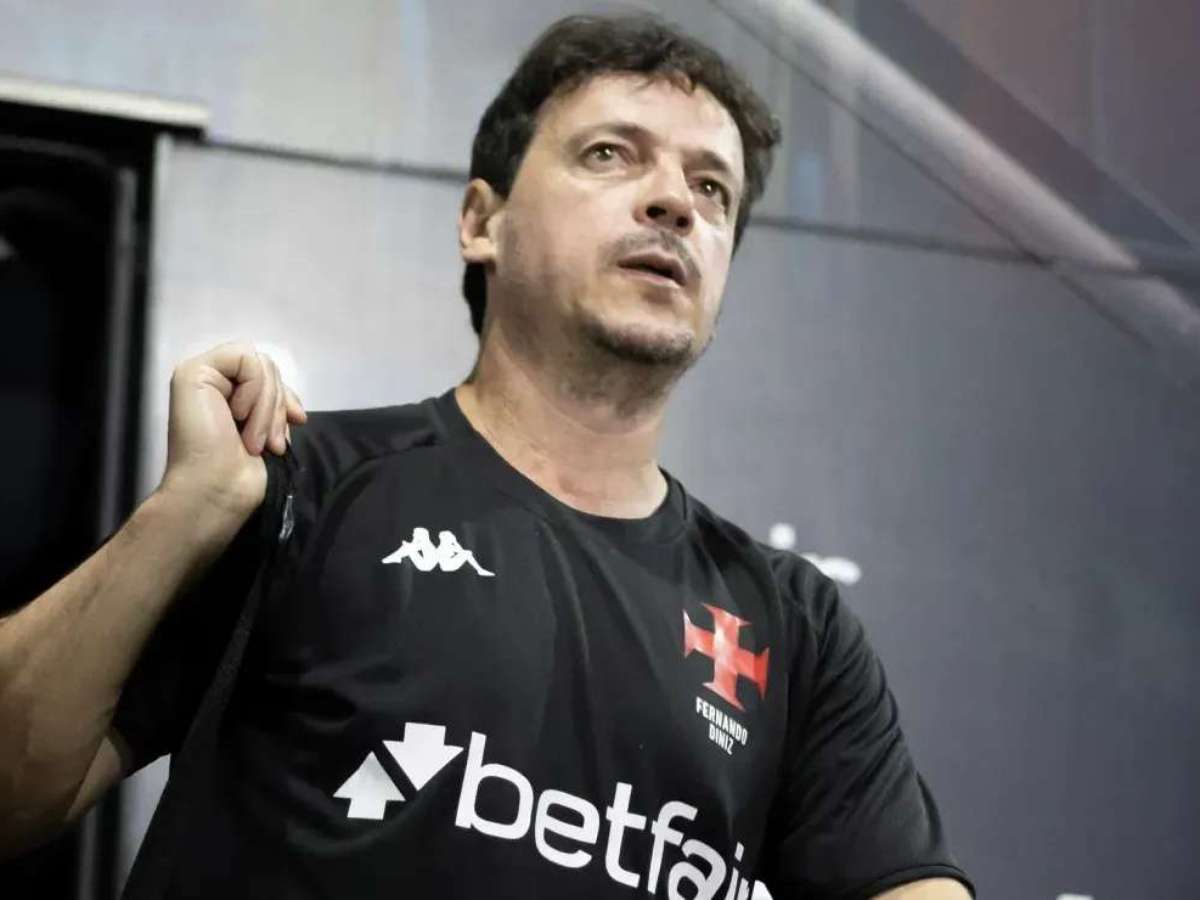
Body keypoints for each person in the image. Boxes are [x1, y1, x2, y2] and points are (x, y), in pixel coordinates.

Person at [0, 13, 974, 899]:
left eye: (711, 188)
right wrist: (184, 517)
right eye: (611, 154)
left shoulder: (793, 627)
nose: (676, 204)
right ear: (481, 222)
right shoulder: (306, 484)